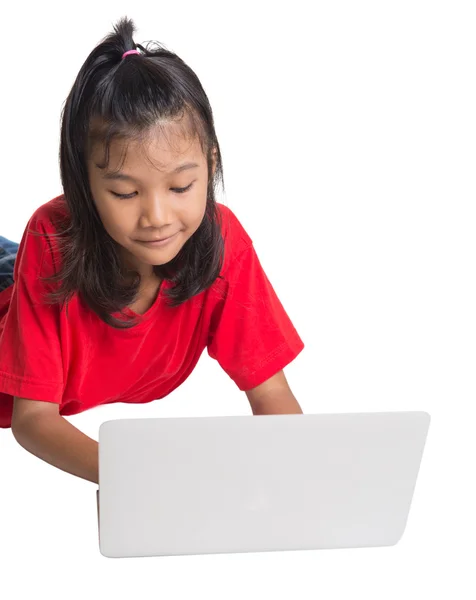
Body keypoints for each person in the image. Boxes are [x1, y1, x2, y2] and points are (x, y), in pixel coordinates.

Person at [0, 17, 304, 486]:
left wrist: (295, 478)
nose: (157, 216)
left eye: (181, 186)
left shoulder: (222, 243)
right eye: (125, 194)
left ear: (211, 164)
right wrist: (140, 479)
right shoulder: (51, 238)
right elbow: (33, 420)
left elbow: (271, 393)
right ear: (83, 185)